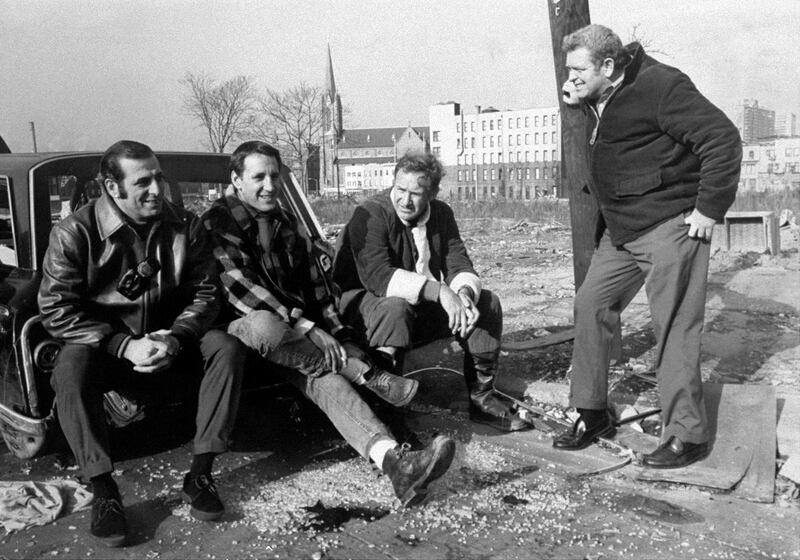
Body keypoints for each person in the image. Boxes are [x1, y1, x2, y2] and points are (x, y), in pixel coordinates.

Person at [201, 140, 455, 508]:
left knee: (328, 377)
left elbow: (319, 288)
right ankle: (366, 374)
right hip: (242, 333)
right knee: (264, 325)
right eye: (259, 177)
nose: (270, 186)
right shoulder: (216, 221)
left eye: (275, 176)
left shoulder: (288, 222)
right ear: (236, 180)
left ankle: (396, 464)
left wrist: (339, 335)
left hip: (296, 347)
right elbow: (241, 288)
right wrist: (308, 328)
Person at [38, 141, 246, 547]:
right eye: (143, 181)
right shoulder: (73, 233)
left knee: (226, 346)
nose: (156, 189)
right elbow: (57, 310)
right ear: (111, 187)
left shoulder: (187, 226)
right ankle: (104, 491)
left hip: (171, 342)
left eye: (158, 177)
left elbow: (206, 295)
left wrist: (176, 336)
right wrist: (121, 345)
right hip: (108, 350)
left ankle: (200, 473)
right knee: (69, 366)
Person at [553, 25, 741, 468]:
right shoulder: (598, 92)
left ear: (608, 66)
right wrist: (579, 100)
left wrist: (708, 209)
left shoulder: (661, 85)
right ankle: (592, 412)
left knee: (673, 327)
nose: (570, 78)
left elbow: (723, 139)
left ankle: (688, 434)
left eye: (578, 70)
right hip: (622, 232)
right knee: (591, 305)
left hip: (670, 227)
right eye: (568, 70)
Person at [333, 152, 529, 433]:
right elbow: (378, 277)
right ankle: (387, 411)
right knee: (395, 308)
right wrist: (440, 292)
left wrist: (462, 295)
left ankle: (482, 399)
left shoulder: (441, 214)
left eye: (416, 193)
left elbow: (458, 261)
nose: (405, 200)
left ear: (433, 193)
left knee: (485, 304)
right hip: (362, 311)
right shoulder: (372, 212)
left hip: (412, 306)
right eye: (400, 190)